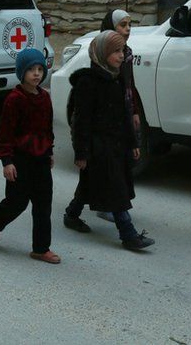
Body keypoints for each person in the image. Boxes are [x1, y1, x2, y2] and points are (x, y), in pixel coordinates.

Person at [65, 30, 154, 251]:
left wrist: (133, 143)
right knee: (116, 189)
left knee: (88, 185)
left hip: (117, 145)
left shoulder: (117, 78)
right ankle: (129, 235)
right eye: (115, 51)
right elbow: (81, 122)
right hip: (99, 148)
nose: (121, 55)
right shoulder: (88, 83)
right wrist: (81, 153)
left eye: (122, 50)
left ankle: (71, 214)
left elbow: (125, 115)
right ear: (103, 53)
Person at [0, 48, 60, 264]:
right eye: (31, 70)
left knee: (43, 205)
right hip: (20, 160)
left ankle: (41, 248)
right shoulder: (14, 100)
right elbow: (5, 134)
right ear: (21, 72)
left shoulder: (45, 98)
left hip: (42, 159)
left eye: (39, 69)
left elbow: (47, 128)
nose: (36, 74)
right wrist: (7, 161)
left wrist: (50, 151)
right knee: (17, 202)